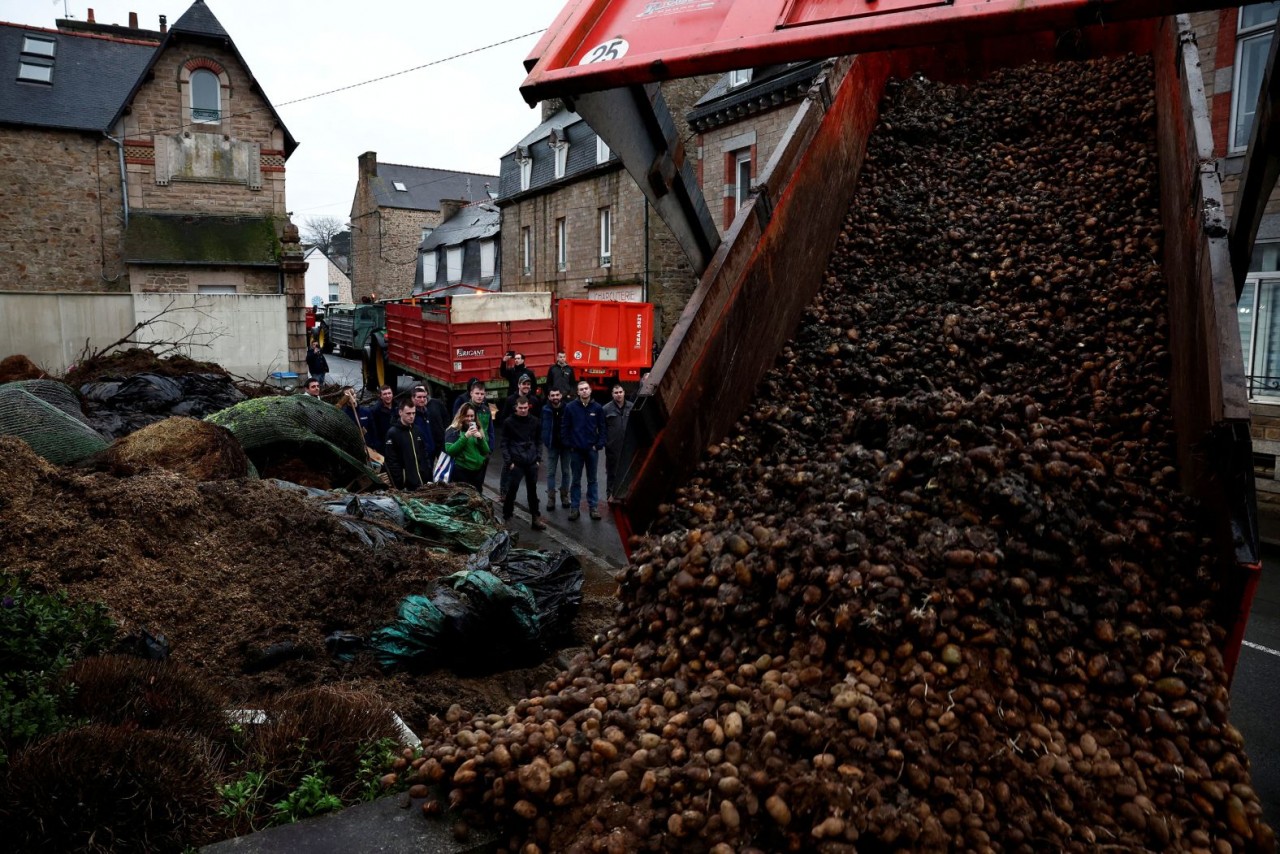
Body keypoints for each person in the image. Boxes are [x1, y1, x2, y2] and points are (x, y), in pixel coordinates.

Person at [561, 379, 605, 520]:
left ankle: (593, 508)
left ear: (590, 390)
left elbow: (603, 428)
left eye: (586, 388)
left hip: (592, 450)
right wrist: (570, 444)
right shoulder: (570, 407)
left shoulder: (597, 408)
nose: (584, 391)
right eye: (581, 389)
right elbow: (565, 427)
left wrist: (598, 445)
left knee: (592, 480)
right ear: (578, 392)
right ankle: (575, 508)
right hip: (576, 451)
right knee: (576, 480)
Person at [500, 395, 546, 530]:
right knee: (511, 491)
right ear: (516, 408)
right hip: (516, 461)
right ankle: (507, 518)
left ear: (528, 407)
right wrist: (509, 462)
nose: (523, 410)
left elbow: (539, 441)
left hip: (531, 461)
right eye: (521, 408)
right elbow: (504, 443)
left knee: (533, 491)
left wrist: (538, 458)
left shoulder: (535, 421)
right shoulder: (509, 422)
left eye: (525, 408)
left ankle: (535, 518)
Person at [383, 396, 432, 490]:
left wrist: (427, 472)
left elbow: (424, 453)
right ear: (400, 412)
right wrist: (400, 481)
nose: (412, 416)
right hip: (406, 484)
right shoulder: (393, 433)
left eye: (413, 413)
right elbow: (391, 461)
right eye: (408, 413)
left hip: (421, 481)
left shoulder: (417, 430)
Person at [444, 402, 490, 492]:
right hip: (462, 472)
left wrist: (480, 438)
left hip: (477, 472)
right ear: (461, 415)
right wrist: (465, 437)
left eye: (472, 416)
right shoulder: (453, 430)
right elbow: (450, 451)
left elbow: (485, 451)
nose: (470, 419)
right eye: (467, 416)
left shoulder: (477, 427)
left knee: (477, 499)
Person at [541, 387, 572, 511]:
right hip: (552, 445)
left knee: (566, 472)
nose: (555, 397)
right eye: (552, 395)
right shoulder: (545, 409)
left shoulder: (567, 408)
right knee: (550, 473)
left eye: (557, 395)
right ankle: (551, 498)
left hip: (566, 446)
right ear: (549, 397)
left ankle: (564, 496)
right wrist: (544, 440)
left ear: (561, 395)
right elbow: (542, 425)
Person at [602, 383, 634, 500]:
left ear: (624, 393)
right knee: (612, 472)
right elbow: (602, 428)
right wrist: (606, 442)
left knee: (628, 471)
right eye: (616, 393)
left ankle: (627, 494)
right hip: (613, 447)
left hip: (628, 445)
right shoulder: (605, 409)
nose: (619, 395)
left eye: (620, 392)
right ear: (612, 395)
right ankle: (610, 494)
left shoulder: (631, 407)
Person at [411, 384, 448, 469]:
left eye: (424, 397)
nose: (422, 399)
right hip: (422, 451)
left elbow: (446, 417)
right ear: (413, 398)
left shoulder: (429, 409)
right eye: (419, 397)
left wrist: (445, 431)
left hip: (438, 443)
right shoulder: (413, 414)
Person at [452, 378, 495, 448]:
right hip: (469, 448)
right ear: (471, 393)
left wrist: (491, 448)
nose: (479, 396)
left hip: (484, 447)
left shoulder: (487, 410)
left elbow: (490, 431)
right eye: (477, 393)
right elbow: (456, 427)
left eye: (482, 394)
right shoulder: (464, 409)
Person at [363, 385, 395, 449]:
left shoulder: (398, 407)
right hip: (383, 444)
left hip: (396, 441)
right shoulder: (374, 411)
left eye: (389, 393)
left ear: (392, 394)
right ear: (380, 396)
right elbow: (372, 430)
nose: (388, 396)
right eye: (385, 394)